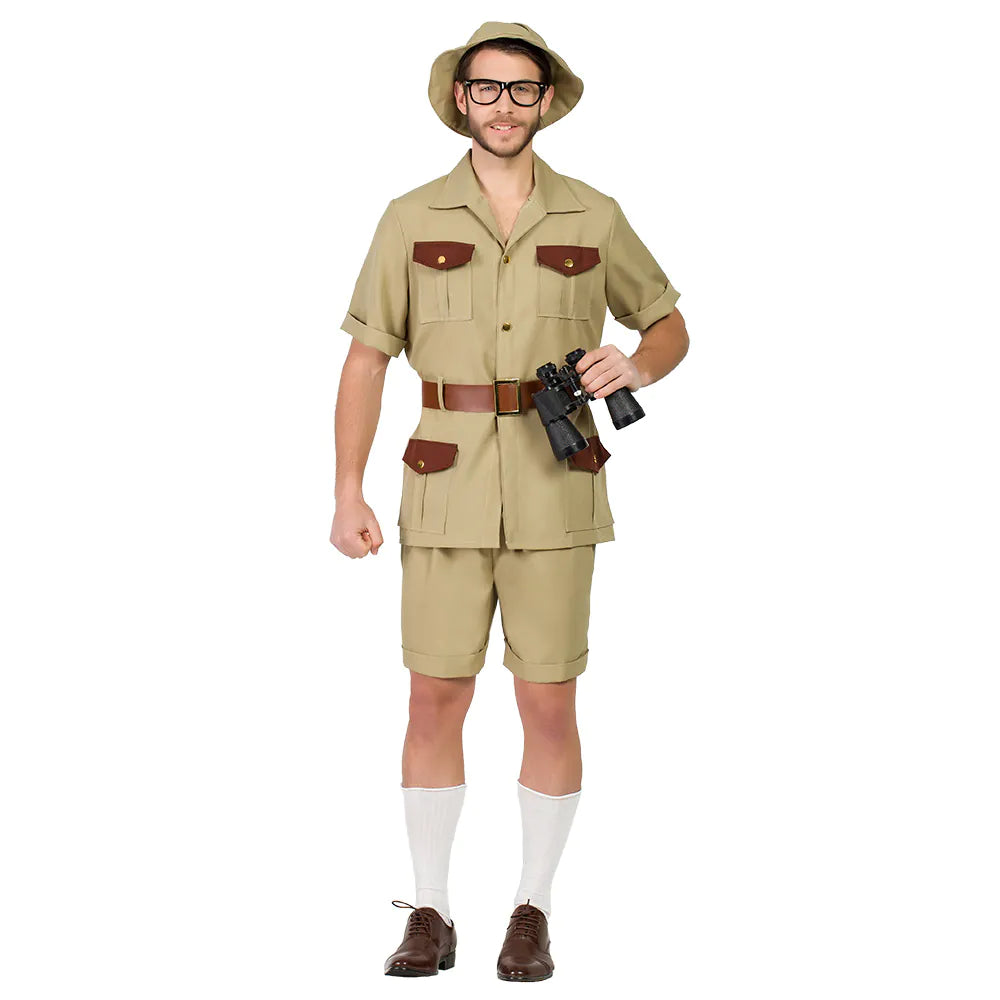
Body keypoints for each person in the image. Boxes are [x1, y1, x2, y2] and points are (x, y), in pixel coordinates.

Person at [330, 21, 689, 981]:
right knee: (434, 695)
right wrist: (346, 490)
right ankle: (431, 910)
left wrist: (636, 362)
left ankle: (533, 908)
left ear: (545, 101)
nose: (502, 105)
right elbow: (366, 360)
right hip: (443, 484)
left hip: (554, 483)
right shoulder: (409, 217)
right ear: (461, 99)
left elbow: (668, 324)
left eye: (521, 89)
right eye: (486, 88)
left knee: (549, 701)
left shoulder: (593, 216)